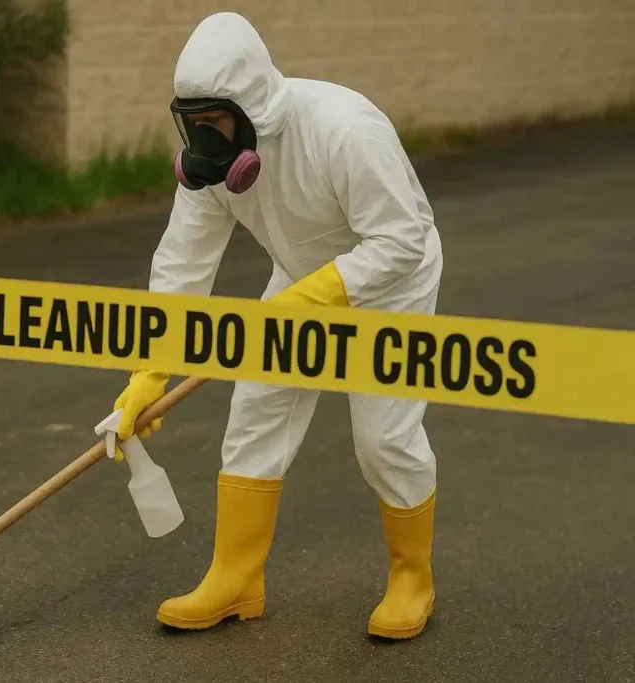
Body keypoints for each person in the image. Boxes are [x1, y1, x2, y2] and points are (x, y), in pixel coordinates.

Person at [111, 11, 444, 640]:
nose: (203, 138)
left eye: (215, 121)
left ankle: (411, 577)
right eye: (193, 122)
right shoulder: (210, 170)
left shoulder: (345, 130)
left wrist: (319, 293)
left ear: (252, 106)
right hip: (301, 279)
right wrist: (150, 372)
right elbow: (182, 264)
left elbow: (404, 238)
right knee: (256, 414)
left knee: (382, 436)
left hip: (390, 284)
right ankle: (236, 580)